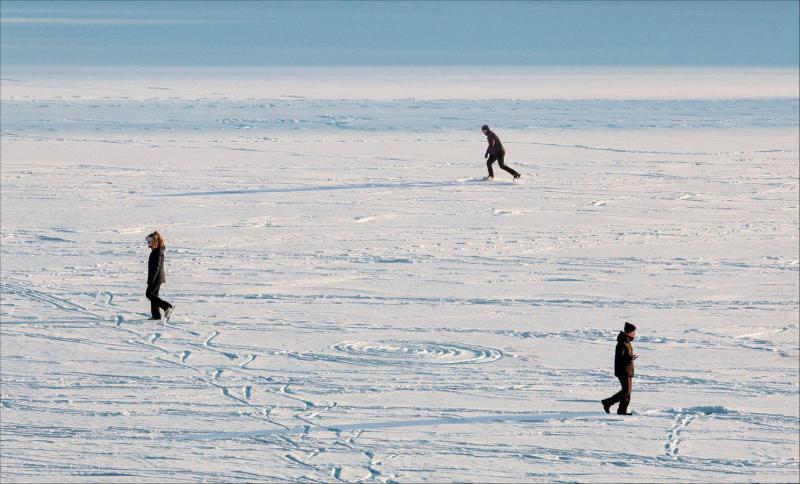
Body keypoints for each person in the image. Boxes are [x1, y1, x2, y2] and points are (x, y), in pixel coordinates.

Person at [602, 322, 638, 415]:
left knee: (628, 392)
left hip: (628, 369)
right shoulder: (622, 343)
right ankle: (607, 402)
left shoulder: (627, 342)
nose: (635, 333)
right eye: (633, 331)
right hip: (622, 370)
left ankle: (622, 410)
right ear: (629, 332)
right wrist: (630, 358)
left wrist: (630, 358)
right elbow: (620, 358)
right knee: (626, 391)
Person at [145, 231, 174, 321]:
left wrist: (152, 279)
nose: (148, 245)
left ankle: (166, 306)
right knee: (154, 295)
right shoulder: (157, 250)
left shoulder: (157, 252)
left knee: (149, 294)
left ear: (154, 242)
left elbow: (156, 267)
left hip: (156, 278)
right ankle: (156, 315)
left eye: (149, 242)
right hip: (157, 277)